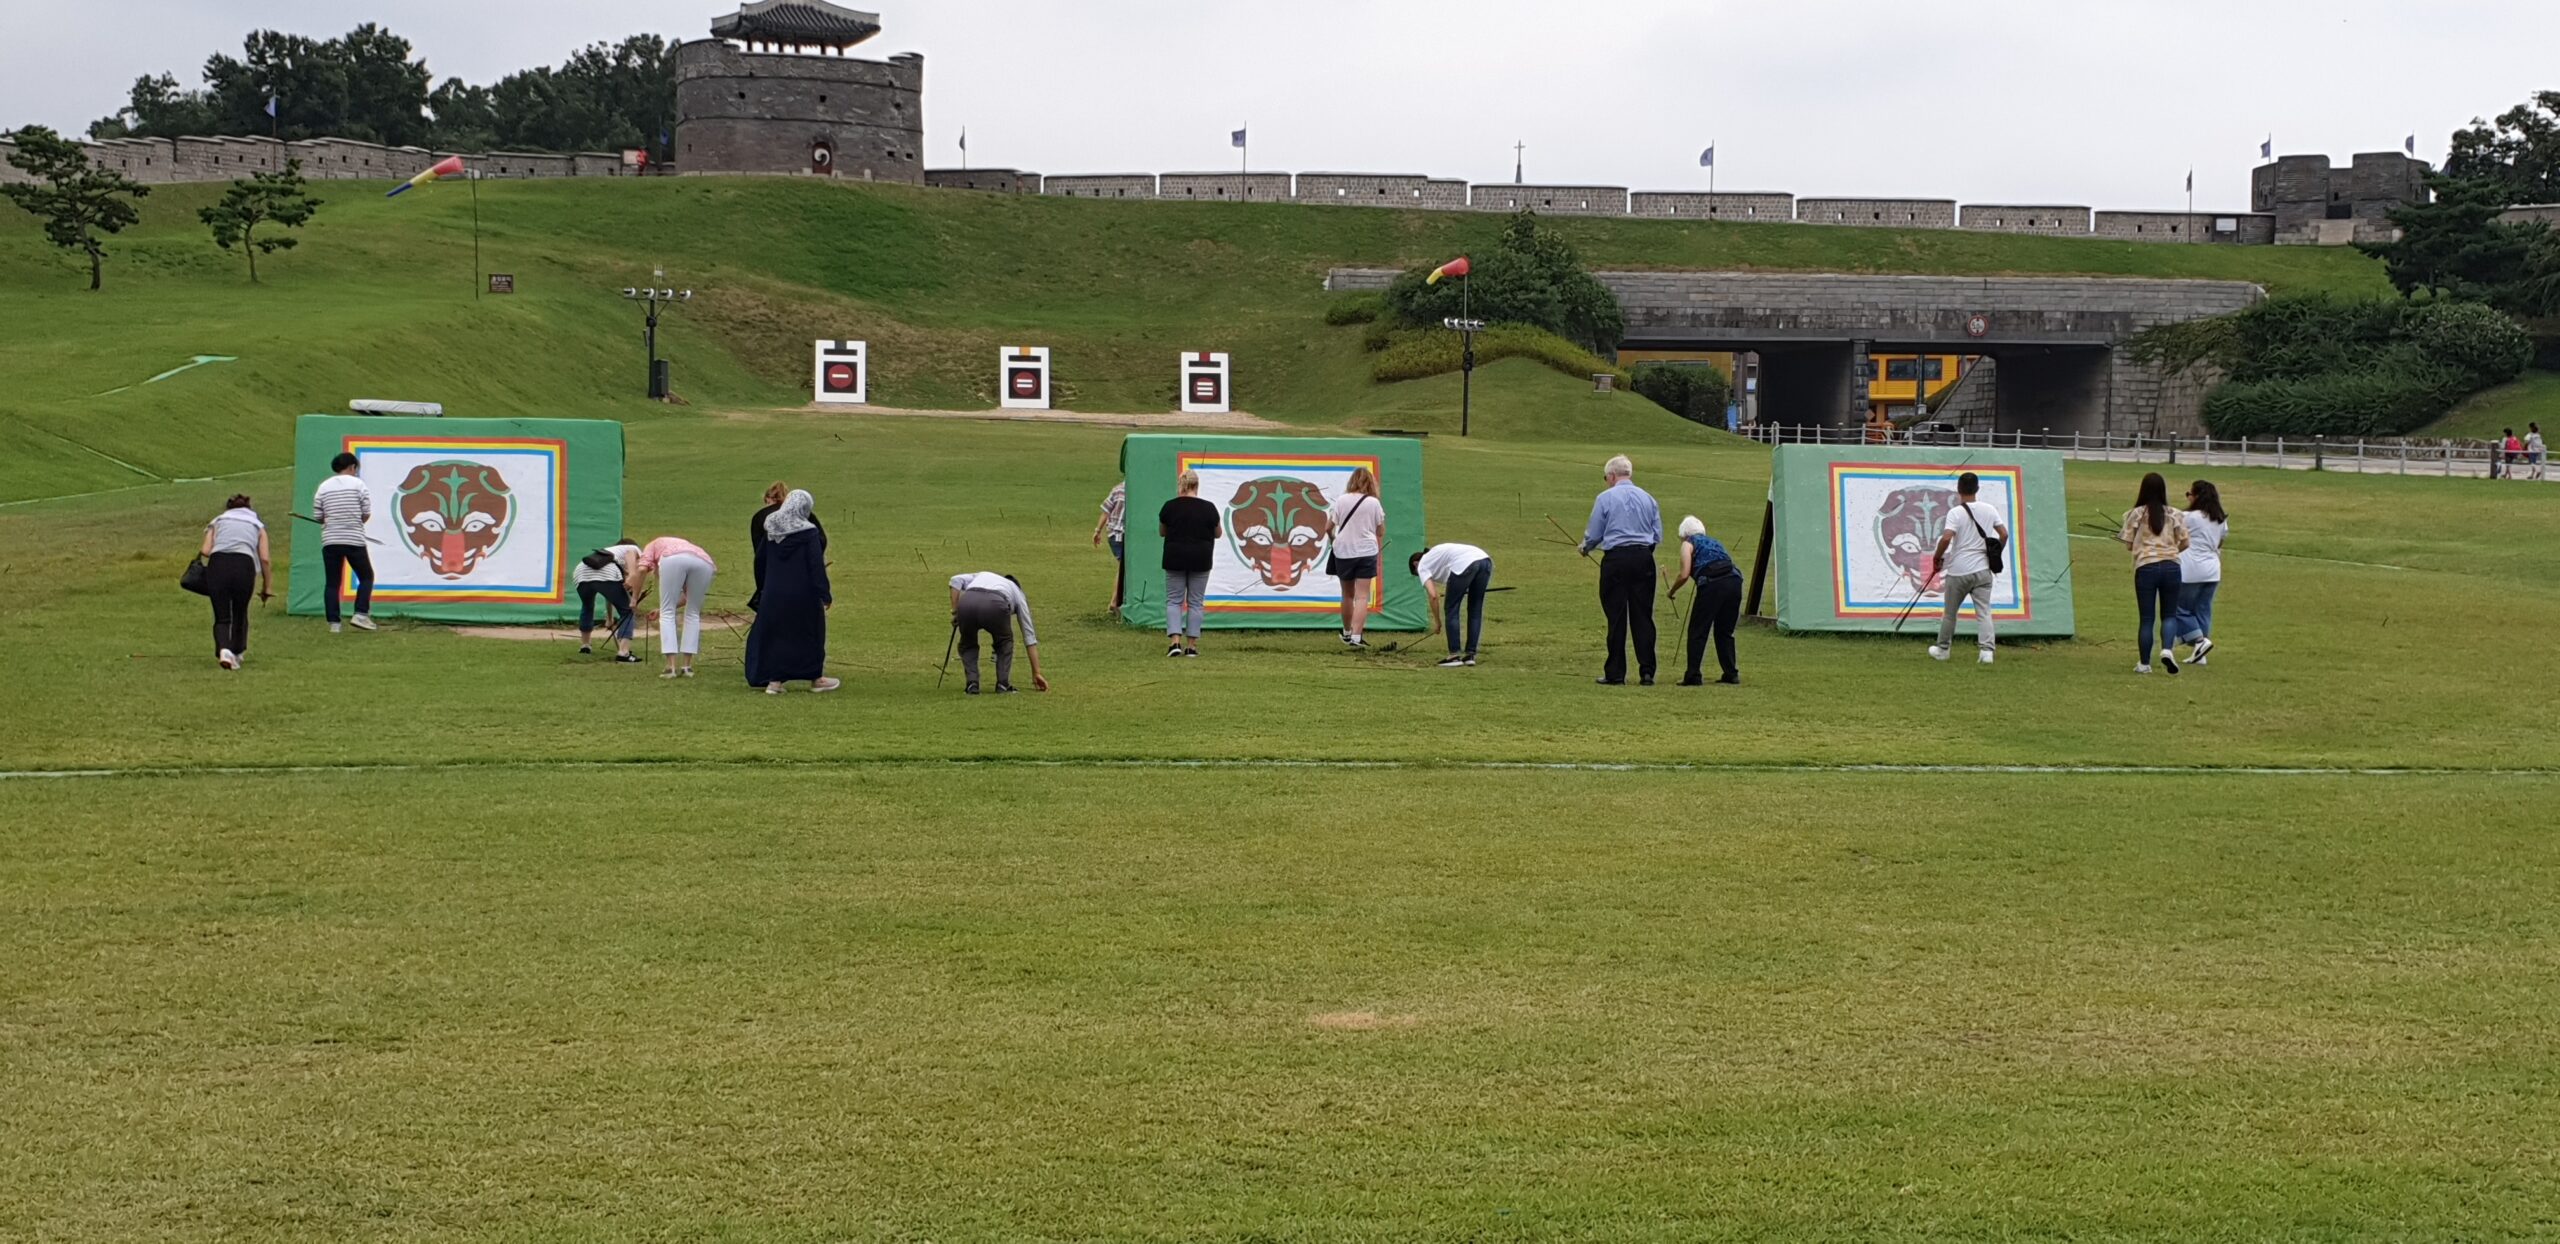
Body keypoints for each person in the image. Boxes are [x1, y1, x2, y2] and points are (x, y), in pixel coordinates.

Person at [743, 490, 839, 693]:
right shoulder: (809, 532)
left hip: (774, 592)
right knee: (810, 633)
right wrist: (824, 593)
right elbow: (815, 565)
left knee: (777, 635)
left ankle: (774, 681)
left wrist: (763, 588)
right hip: (803, 593)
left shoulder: (771, 529)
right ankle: (816, 678)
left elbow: (760, 561)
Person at [1579, 454, 1663, 685]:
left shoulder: (1605, 498)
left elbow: (1595, 532)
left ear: (1612, 475)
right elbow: (1657, 534)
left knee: (1616, 616)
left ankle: (1615, 672)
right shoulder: (1648, 498)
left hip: (1616, 559)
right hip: (1643, 557)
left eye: (1606, 477)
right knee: (1643, 615)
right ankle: (1647, 671)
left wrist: (1586, 547)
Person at [1925, 472, 2008, 667]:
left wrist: (1937, 557)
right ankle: (1987, 652)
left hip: (1959, 570)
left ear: (1959, 490)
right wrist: (1994, 553)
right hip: (1983, 569)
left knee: (1950, 613)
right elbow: (2003, 534)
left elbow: (1946, 538)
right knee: (1984, 612)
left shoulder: (1955, 512)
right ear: (1977, 489)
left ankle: (1943, 649)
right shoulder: (1989, 509)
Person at [2116, 472, 2190, 675]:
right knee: (2169, 615)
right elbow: (2185, 542)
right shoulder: (2175, 514)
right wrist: (2170, 550)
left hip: (2146, 567)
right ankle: (2167, 650)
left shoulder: (2136, 514)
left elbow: (2129, 545)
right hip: (2172, 566)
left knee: (2147, 618)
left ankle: (2144, 663)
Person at [198, 493, 271, 670]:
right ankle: (237, 652)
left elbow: (206, 550)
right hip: (243, 565)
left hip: (218, 564)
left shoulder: (217, 522)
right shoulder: (257, 525)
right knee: (240, 611)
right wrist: (266, 586)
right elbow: (265, 558)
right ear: (249, 509)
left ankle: (223, 650)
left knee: (221, 615)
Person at [628, 534, 717, 679]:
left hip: (672, 559)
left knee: (667, 613)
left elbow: (642, 569)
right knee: (693, 613)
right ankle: (687, 667)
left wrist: (634, 598)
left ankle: (671, 667)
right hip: (704, 562)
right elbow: (686, 598)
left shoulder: (652, 545)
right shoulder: (687, 546)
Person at [1668, 515, 1743, 684]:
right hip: (1734, 581)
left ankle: (1693, 675)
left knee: (1698, 630)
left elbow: (1684, 574)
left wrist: (1671, 591)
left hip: (1712, 584)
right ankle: (1731, 673)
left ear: (1684, 534)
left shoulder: (1688, 543)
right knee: (1724, 631)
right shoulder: (1714, 542)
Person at [948, 571, 1049, 694]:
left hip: (968, 601)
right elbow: (1029, 636)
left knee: (967, 643)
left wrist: (955, 611)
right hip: (995, 604)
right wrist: (1036, 672)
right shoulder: (1018, 593)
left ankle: (972, 684)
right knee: (1004, 643)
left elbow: (955, 580)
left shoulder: (983, 575)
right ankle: (1002, 685)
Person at [311, 452, 376, 634]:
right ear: (352, 467)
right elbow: (366, 512)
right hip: (354, 538)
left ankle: (334, 624)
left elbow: (318, 516)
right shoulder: (358, 484)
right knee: (366, 576)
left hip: (330, 540)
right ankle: (361, 613)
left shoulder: (323, 487)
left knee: (332, 582)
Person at [2165, 480, 2228, 668]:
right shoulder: (2220, 518)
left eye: (2189, 494)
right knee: (2203, 610)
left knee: (2177, 608)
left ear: (2197, 496)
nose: (2188, 497)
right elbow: (2220, 543)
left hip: (2190, 569)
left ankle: (2200, 641)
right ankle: (2200, 654)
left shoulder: (2188, 517)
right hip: (2213, 570)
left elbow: (2171, 534)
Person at [1159, 469, 1219, 658]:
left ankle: (1174, 642)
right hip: (1201, 558)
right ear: (1197, 485)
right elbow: (1218, 533)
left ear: (1181, 485)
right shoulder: (1209, 508)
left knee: (1174, 600)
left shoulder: (1169, 507)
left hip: (1174, 557)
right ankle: (1191, 646)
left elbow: (1162, 531)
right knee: (1195, 602)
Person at [1327, 466, 1385, 648]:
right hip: (1366, 551)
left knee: (1347, 594)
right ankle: (1357, 636)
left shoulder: (1341, 500)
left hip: (1343, 550)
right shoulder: (1373, 502)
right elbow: (1381, 531)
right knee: (1362, 596)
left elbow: (1328, 527)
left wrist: (1333, 539)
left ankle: (1346, 632)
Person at [1410, 542, 1492, 667]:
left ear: (1415, 564)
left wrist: (1438, 622)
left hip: (1464, 564)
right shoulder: (1435, 555)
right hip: (1485, 561)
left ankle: (1454, 655)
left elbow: (1433, 596)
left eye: (1417, 574)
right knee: (1475, 610)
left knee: (1451, 609)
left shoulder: (1422, 565)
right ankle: (1470, 655)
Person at [747, 481, 823, 612]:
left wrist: (761, 587)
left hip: (774, 578)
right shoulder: (806, 515)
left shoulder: (761, 517)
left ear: (768, 498)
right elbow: (821, 541)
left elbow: (760, 555)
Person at [574, 537, 643, 662]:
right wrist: (632, 575)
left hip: (581, 572)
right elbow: (630, 555)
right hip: (606, 573)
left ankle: (585, 645)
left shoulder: (610, 553)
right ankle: (624, 652)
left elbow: (609, 595)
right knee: (627, 611)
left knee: (587, 605)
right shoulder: (633, 548)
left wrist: (610, 618)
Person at [1091, 480, 1127, 613]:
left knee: (1123, 568)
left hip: (1112, 534)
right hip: (1123, 535)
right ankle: (1114, 603)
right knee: (1124, 569)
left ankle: (1117, 601)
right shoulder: (1136, 491)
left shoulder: (1117, 488)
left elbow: (1106, 511)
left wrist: (1097, 530)